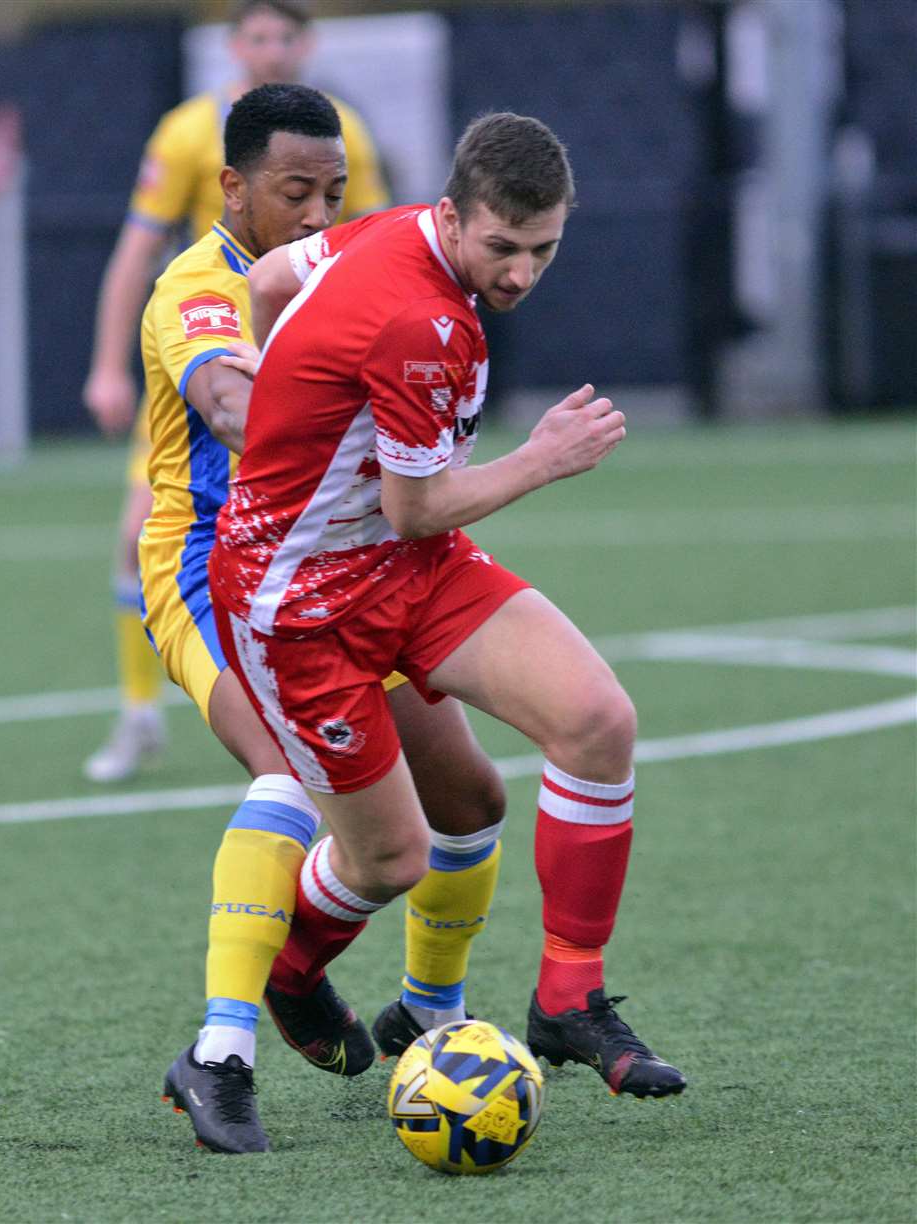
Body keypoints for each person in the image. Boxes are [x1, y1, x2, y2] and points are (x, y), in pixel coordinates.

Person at [209, 112, 688, 1115]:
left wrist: (296, 405)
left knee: (597, 722)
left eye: (543, 249)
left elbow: (268, 282)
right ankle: (290, 971)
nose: (519, 274)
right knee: (391, 859)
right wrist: (543, 459)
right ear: (455, 217)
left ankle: (570, 996)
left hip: (409, 568)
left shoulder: (388, 230)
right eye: (502, 249)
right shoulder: (422, 321)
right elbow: (416, 500)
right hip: (299, 598)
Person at [139, 84, 507, 1155]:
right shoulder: (199, 287)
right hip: (220, 569)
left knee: (471, 794)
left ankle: (430, 1016)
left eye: (334, 192)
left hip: (348, 567)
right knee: (293, 779)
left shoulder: (349, 263)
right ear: (235, 187)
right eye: (294, 192)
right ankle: (220, 1054)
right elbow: (229, 403)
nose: (315, 213)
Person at [82, 0, 387, 783]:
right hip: (205, 355)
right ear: (235, 45)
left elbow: (383, 248)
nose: (273, 49)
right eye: (258, 36)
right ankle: (139, 712)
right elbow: (136, 250)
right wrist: (108, 365)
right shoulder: (187, 132)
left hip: (307, 356)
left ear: (306, 44)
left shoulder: (338, 131)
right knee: (143, 529)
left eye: (287, 36)